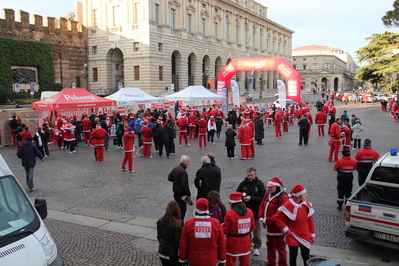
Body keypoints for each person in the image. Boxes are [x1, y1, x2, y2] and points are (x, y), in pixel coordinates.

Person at [274, 184, 316, 266]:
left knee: (306, 257)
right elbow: (277, 218)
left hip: (305, 235)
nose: (306, 196)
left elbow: (310, 221)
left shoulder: (307, 205)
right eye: (304, 194)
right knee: (293, 257)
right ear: (298, 196)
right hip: (293, 236)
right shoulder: (288, 205)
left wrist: (312, 234)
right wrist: (286, 229)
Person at [179, 198, 226, 266]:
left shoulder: (189, 224)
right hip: (211, 259)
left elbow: (183, 244)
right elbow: (221, 243)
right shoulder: (216, 223)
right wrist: (222, 260)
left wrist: (182, 260)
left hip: (194, 259)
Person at [258, 177, 289, 266]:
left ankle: (282, 264)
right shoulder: (267, 194)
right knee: (270, 246)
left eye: (271, 187)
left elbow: (281, 214)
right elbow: (262, 206)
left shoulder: (283, 198)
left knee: (281, 248)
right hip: (268, 227)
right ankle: (271, 262)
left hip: (278, 229)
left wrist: (267, 220)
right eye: (269, 187)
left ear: (277, 187)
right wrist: (260, 217)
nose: (269, 189)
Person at [236, 166, 266, 256]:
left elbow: (263, 197)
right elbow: (237, 194)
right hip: (245, 212)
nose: (250, 177)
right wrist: (242, 198)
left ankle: (257, 247)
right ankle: (247, 246)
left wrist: (251, 198)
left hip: (256, 212)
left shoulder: (259, 184)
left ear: (255, 175)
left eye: (251, 175)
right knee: (246, 231)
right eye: (249, 175)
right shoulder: (243, 184)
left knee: (256, 232)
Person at [223, 191, 255, 266]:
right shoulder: (250, 212)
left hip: (232, 242)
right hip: (246, 241)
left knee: (230, 262)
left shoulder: (230, 214)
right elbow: (252, 228)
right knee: (245, 262)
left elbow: (225, 230)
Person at [156, 201, 182, 266]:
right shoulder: (177, 225)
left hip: (162, 250)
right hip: (172, 253)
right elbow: (178, 241)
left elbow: (159, 237)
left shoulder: (160, 222)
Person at [168, 155, 191, 222]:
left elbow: (170, 177)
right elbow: (184, 184)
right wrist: (188, 194)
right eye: (188, 161)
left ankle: (176, 223)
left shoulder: (176, 168)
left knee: (177, 209)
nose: (189, 163)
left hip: (176, 193)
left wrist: (176, 181)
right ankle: (179, 225)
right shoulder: (183, 171)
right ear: (183, 162)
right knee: (182, 212)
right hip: (182, 195)